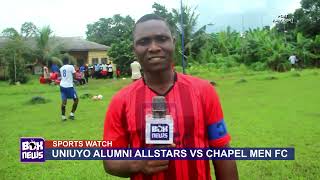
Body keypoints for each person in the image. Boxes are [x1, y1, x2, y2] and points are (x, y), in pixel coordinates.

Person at [103, 14, 238, 180]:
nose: (153, 47)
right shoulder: (120, 101)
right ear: (134, 49)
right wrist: (138, 163)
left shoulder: (203, 91)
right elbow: (110, 161)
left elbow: (222, 151)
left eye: (161, 39)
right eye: (144, 42)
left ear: (173, 42)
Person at [59, 56, 79, 121]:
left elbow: (62, 76)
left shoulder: (61, 68)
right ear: (68, 61)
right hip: (69, 86)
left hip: (62, 86)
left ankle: (63, 116)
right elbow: (75, 75)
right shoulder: (71, 67)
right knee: (76, 100)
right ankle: (71, 114)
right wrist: (75, 79)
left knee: (64, 101)